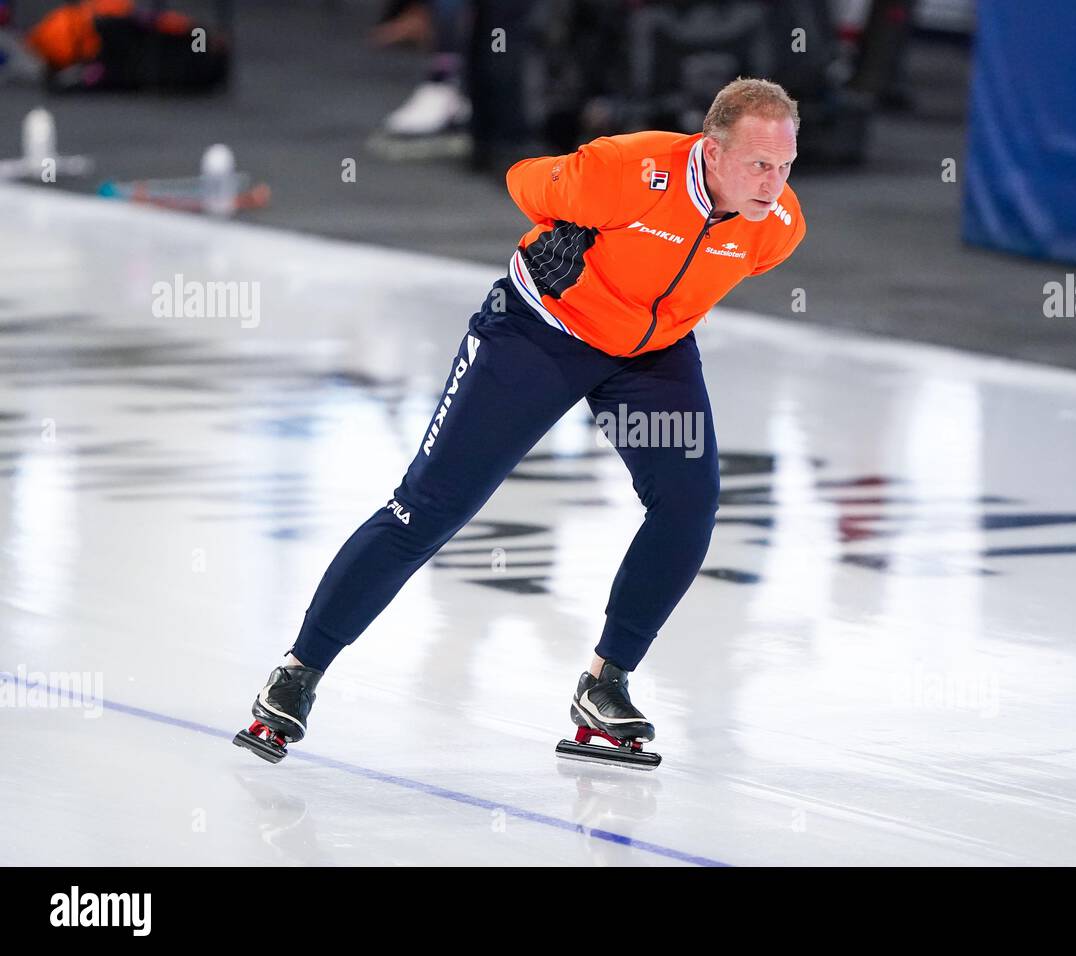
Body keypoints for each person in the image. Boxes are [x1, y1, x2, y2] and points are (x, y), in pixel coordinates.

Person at [234, 76, 807, 766]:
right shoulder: (624, 171)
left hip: (647, 357)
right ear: (712, 151)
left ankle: (606, 682)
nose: (773, 184)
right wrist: (573, 249)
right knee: (430, 507)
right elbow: (523, 181)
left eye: (784, 166)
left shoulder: (777, 227)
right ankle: (299, 671)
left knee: (689, 503)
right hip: (540, 334)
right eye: (758, 164)